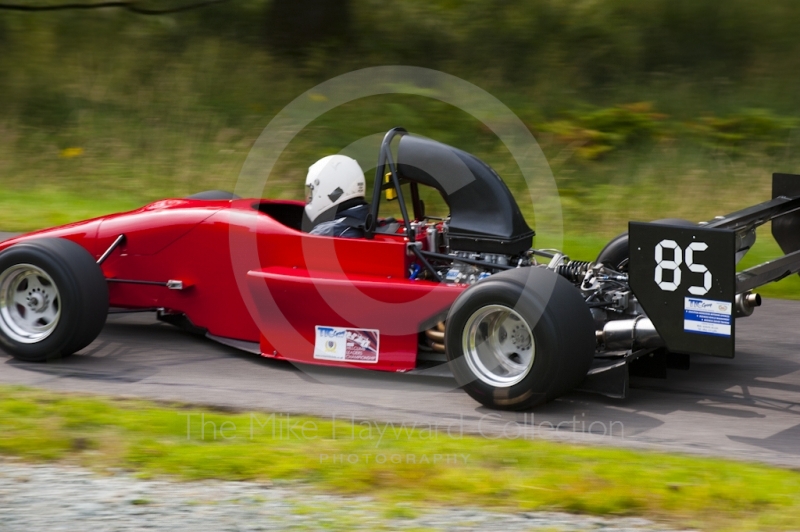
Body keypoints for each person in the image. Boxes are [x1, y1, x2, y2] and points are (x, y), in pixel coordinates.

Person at [303, 155, 369, 238]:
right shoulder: (371, 222)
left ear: (331, 190)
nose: (308, 197)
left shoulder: (324, 232)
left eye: (312, 191)